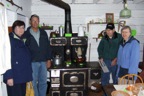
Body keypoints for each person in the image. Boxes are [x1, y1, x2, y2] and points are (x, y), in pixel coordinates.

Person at [24, 14, 52, 96]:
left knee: (43, 82)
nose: (35, 22)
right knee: (33, 83)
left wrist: (49, 59)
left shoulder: (43, 33)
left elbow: (48, 46)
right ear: (30, 22)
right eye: (33, 20)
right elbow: (24, 49)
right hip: (32, 62)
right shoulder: (26, 34)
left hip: (43, 61)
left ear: (39, 22)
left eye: (37, 21)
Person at [3, 20, 33, 96]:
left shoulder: (21, 39)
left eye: (22, 27)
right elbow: (7, 59)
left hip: (22, 76)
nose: (21, 29)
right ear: (14, 28)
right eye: (18, 27)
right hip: (14, 77)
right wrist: (9, 76)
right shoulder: (9, 40)